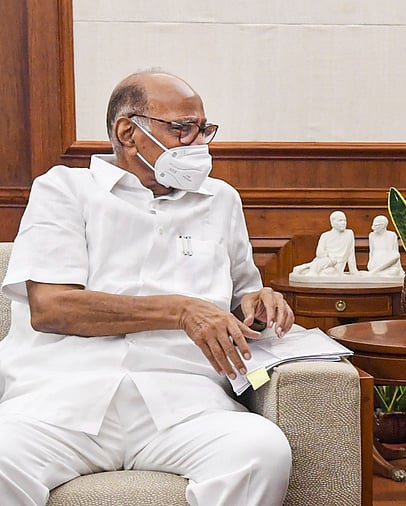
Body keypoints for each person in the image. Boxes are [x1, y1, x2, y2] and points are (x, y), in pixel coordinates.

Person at [0, 70, 296, 505]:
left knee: (261, 453)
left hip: (184, 406)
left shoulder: (221, 201)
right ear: (128, 132)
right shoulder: (64, 190)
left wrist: (260, 302)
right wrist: (180, 310)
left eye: (204, 129)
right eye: (182, 129)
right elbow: (51, 307)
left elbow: (241, 300)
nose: (198, 143)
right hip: (60, 404)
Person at [292, 211, 358, 276]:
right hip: (325, 261)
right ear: (332, 222)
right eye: (340, 220)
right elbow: (319, 253)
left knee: (326, 273)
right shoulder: (325, 236)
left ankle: (309, 270)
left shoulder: (349, 234)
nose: (344, 223)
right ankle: (307, 270)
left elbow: (351, 254)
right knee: (316, 269)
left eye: (345, 220)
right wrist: (329, 257)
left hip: (336, 267)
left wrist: (353, 271)